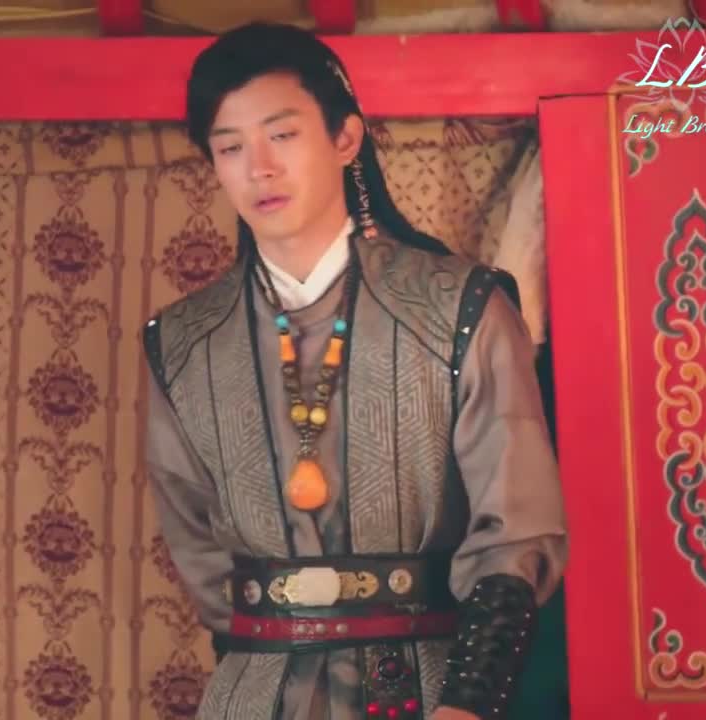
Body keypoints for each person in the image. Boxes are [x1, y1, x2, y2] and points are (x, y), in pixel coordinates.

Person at [142, 22, 568, 720]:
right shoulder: (183, 344)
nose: (259, 168)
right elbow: (202, 558)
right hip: (253, 696)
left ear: (345, 138)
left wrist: (468, 704)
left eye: (282, 135)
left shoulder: (457, 308)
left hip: (429, 692)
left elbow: (517, 534)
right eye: (230, 147)